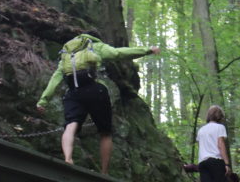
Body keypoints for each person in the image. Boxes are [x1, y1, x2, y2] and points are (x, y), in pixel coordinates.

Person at [36, 34, 160, 174]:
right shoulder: (95, 46)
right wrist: (147, 50)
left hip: (73, 93)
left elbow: (56, 77)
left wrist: (43, 100)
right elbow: (119, 53)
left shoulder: (67, 53)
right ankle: (104, 172)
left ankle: (68, 158)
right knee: (105, 132)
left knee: (70, 125)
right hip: (95, 91)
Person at [196, 105, 231, 182]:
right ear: (219, 116)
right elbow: (220, 144)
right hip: (216, 160)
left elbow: (200, 145)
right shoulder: (219, 127)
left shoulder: (201, 130)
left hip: (203, 162)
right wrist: (226, 163)